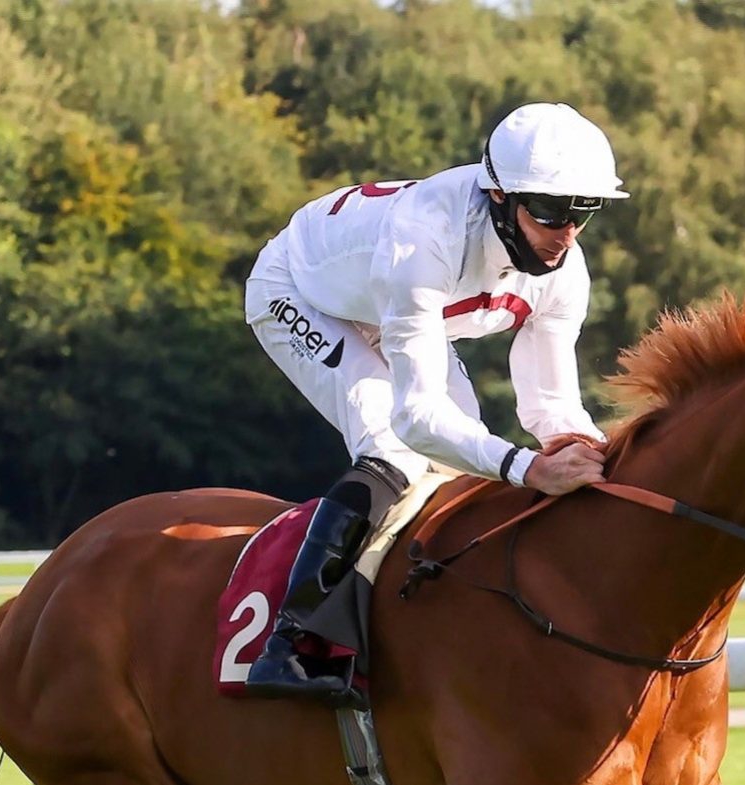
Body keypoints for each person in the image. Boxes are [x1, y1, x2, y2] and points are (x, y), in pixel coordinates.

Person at [242, 102, 626, 703]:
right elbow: (417, 418)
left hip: (395, 310)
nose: (566, 234)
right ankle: (292, 642)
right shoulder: (425, 238)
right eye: (551, 211)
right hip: (301, 292)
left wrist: (594, 456)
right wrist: (529, 469)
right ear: (499, 196)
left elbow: (551, 406)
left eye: (585, 212)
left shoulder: (564, 270)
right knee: (393, 447)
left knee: (457, 462)